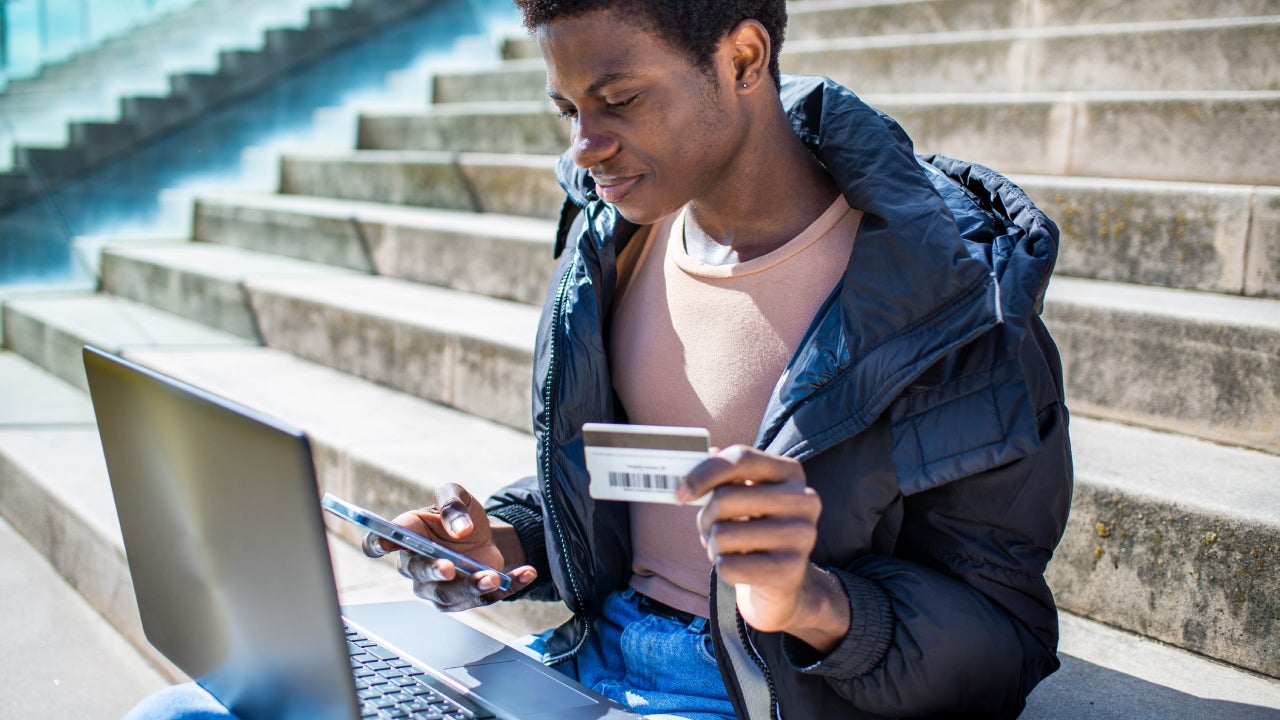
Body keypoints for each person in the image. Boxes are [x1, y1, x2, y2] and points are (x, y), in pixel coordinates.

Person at [125, 0, 1072, 718]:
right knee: (179, 709)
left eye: (617, 100)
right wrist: (506, 540)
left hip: (753, 693)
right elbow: (635, 480)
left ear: (744, 57)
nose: (585, 148)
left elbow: (1007, 636)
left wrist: (814, 599)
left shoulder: (955, 294)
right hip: (586, 664)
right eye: (567, 108)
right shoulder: (614, 238)